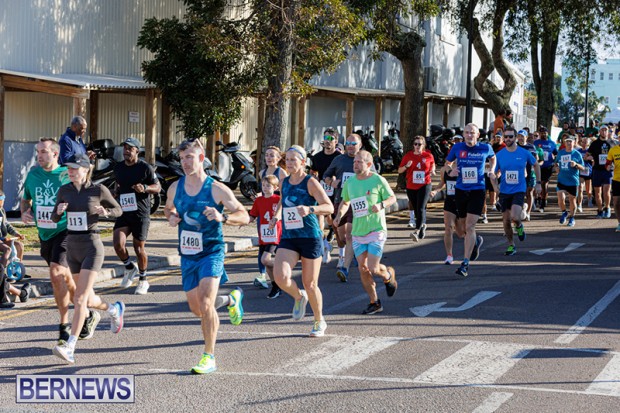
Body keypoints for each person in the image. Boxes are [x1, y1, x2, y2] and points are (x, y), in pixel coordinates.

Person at [164, 139, 248, 374]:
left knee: (206, 303)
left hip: (212, 252)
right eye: (182, 158)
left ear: (201, 158)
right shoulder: (175, 187)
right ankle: (231, 300)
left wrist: (223, 218)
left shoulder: (216, 188)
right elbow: (168, 208)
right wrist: (171, 216)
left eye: (189, 157)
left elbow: (244, 214)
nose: (185, 162)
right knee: (197, 308)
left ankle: (208, 356)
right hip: (188, 255)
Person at [21, 138, 98, 343]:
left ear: (55, 154)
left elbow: (85, 194)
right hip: (45, 234)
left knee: (56, 273)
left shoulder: (66, 174)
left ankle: (64, 326)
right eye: (38, 152)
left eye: (43, 152)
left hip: (66, 231)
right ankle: (88, 313)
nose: (39, 155)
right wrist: (25, 212)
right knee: (65, 278)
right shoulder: (33, 175)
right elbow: (26, 199)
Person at [50, 154, 125, 364]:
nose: (71, 172)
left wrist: (106, 212)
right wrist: (58, 212)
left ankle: (70, 346)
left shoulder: (98, 190)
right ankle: (114, 309)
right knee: (88, 300)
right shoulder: (64, 190)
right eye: (69, 169)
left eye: (75, 168)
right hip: (72, 247)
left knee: (80, 299)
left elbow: (119, 210)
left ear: (86, 169)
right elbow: (54, 217)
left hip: (92, 247)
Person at [269, 145, 333, 336]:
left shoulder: (310, 182)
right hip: (289, 236)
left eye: (293, 160)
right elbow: (283, 201)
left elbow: (328, 207)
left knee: (310, 284)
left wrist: (310, 209)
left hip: (310, 237)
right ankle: (298, 297)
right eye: (287, 160)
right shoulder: (284, 182)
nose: (289, 163)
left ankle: (319, 320)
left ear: (303, 162)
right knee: (280, 277)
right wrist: (276, 217)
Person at [335, 151, 397, 314]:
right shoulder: (350, 182)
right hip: (358, 232)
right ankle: (374, 302)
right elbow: (345, 202)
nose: (355, 164)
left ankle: (387, 276)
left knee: (373, 268)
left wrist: (381, 205)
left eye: (359, 162)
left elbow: (392, 198)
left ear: (369, 164)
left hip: (376, 230)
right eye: (354, 162)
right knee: (363, 268)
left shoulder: (378, 180)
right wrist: (339, 215)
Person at [445, 123, 496, 277]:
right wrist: (451, 171)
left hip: (477, 190)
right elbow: (447, 164)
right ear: (463, 135)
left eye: (472, 133)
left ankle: (465, 263)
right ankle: (475, 242)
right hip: (461, 190)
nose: (469, 135)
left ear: (477, 135)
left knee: (470, 226)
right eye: (467, 132)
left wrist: (491, 170)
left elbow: (493, 158)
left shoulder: (485, 148)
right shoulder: (457, 148)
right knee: (461, 230)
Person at [113, 137, 160, 295]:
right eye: (125, 148)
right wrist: (116, 192)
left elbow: (157, 187)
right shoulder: (119, 167)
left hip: (140, 213)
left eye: (130, 149)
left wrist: (145, 188)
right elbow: (118, 183)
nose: (126, 151)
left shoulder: (145, 168)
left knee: (138, 248)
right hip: (124, 212)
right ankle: (129, 267)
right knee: (118, 244)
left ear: (137, 151)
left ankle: (143, 280)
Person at [324, 133, 374, 282]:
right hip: (341, 200)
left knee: (350, 234)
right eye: (348, 143)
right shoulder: (339, 159)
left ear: (360, 145)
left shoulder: (365, 159)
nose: (350, 146)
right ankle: (350, 252)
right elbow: (326, 175)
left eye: (354, 144)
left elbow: (374, 178)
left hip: (358, 203)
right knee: (341, 236)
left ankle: (344, 265)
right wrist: (331, 182)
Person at [489, 127, 542, 256]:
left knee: (515, 217)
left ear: (515, 138)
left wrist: (538, 183)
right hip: (504, 191)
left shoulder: (524, 153)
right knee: (506, 220)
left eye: (510, 136)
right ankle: (511, 245)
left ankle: (519, 226)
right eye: (506, 137)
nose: (508, 139)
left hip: (519, 189)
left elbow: (536, 165)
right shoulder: (499, 155)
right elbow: (493, 173)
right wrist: (495, 186)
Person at [254, 146, 288, 289]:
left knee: (276, 243)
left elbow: (285, 192)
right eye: (267, 155)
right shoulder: (262, 172)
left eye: (272, 155)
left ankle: (283, 267)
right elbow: (263, 190)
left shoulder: (281, 172)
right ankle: (262, 274)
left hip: (276, 211)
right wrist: (259, 196)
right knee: (263, 243)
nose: (269, 158)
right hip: (263, 213)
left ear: (278, 158)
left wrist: (277, 210)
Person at [248, 175, 282, 299]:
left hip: (275, 235)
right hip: (264, 235)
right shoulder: (258, 201)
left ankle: (281, 269)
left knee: (265, 260)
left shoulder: (278, 200)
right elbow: (252, 215)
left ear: (275, 187)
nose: (265, 188)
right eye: (263, 185)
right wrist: (243, 221)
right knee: (267, 264)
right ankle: (276, 286)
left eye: (268, 186)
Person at [310, 129, 341, 263]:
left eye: (330, 138)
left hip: (336, 192)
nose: (327, 141)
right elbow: (313, 171)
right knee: (320, 217)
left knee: (333, 220)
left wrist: (335, 180)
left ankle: (337, 241)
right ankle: (324, 244)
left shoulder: (339, 157)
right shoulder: (317, 157)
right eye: (325, 138)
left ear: (336, 141)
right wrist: (314, 177)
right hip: (321, 190)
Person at [398, 135, 436, 241]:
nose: (417, 146)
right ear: (413, 145)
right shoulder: (408, 156)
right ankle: (422, 225)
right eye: (415, 144)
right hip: (411, 186)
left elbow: (432, 164)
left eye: (420, 144)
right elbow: (400, 170)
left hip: (425, 185)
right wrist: (406, 166)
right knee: (416, 209)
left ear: (423, 145)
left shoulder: (428, 155)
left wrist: (432, 170)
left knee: (420, 208)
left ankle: (416, 230)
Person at [430, 164, 463, 264]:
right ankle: (449, 255)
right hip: (449, 203)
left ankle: (474, 241)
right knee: (448, 227)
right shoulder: (444, 169)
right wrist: (435, 191)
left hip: (462, 202)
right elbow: (443, 182)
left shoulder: (464, 165)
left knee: (461, 233)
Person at [554, 136, 585, 227]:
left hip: (573, 181)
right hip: (562, 179)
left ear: (574, 143)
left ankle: (572, 217)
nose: (569, 143)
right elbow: (556, 163)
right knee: (560, 199)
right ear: (564, 143)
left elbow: (583, 168)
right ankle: (564, 212)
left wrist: (576, 165)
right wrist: (556, 167)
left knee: (572, 200)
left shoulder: (577, 154)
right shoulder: (561, 152)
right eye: (567, 141)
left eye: (570, 142)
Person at [587, 124, 614, 218]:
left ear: (608, 132)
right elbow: (587, 155)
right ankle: (600, 210)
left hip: (608, 170)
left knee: (607, 191)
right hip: (597, 170)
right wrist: (589, 157)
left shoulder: (612, 143)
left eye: (606, 130)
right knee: (597, 192)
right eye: (602, 130)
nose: (604, 132)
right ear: (599, 132)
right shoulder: (594, 143)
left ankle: (607, 207)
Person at [517, 129, 544, 221]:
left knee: (529, 192)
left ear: (526, 137)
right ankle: (521, 209)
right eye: (519, 136)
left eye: (522, 136)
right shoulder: (515, 146)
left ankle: (528, 213)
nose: (520, 138)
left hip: (530, 172)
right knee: (519, 193)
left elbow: (536, 159)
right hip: (519, 174)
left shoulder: (531, 147)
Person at [533, 126, 557, 213]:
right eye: (542, 133)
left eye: (545, 133)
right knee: (536, 183)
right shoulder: (536, 143)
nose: (543, 134)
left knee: (544, 184)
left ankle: (542, 203)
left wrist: (555, 162)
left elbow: (556, 153)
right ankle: (537, 199)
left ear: (547, 133)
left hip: (548, 166)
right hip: (538, 166)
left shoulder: (552, 143)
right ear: (539, 134)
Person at [605, 140, 620, 231]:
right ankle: (619, 223)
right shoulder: (613, 150)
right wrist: (608, 167)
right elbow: (607, 164)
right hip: (616, 180)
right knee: (616, 202)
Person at [576, 134, 593, 212]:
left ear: (588, 143)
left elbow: (594, 160)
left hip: (588, 171)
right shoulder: (578, 151)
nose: (584, 143)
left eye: (586, 142)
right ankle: (579, 205)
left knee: (588, 190)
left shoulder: (590, 151)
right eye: (583, 142)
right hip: (581, 171)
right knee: (580, 188)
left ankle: (589, 199)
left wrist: (591, 159)